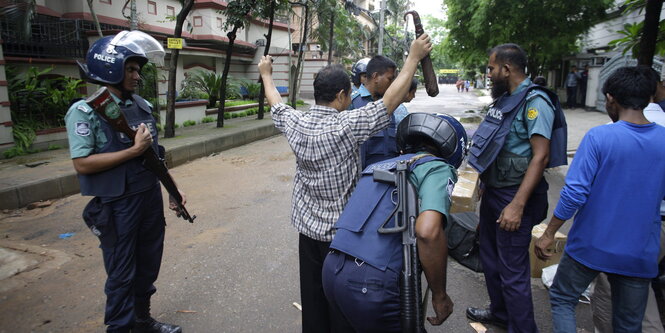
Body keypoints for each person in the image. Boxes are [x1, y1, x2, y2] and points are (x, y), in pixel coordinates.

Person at [257, 34, 432, 333]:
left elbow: (275, 101)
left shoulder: (295, 122)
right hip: (341, 240)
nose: (351, 99)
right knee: (341, 304)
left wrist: (266, 74)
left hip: (308, 235)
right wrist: (413, 58)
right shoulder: (346, 126)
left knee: (313, 302)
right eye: (349, 94)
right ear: (340, 96)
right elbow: (389, 102)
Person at [65, 31, 184, 333]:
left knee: (147, 264)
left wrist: (172, 190)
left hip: (148, 196)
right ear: (110, 68)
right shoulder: (85, 111)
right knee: (121, 273)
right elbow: (82, 163)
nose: (137, 76)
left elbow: (155, 156)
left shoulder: (141, 106)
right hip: (118, 204)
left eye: (138, 69)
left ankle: (142, 321)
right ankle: (119, 328)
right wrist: (133, 150)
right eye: (130, 69)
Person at [535, 66, 665, 333]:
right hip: (640, 252)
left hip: (591, 246)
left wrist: (549, 233)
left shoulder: (600, 137)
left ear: (610, 98)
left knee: (562, 299)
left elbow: (574, 193)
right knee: (629, 323)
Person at [322, 112, 467, 331]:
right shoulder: (437, 167)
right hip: (370, 284)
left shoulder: (377, 167)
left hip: (332, 272)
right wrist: (440, 295)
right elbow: (428, 232)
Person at [465, 43, 568, 333]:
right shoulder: (507, 99)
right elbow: (494, 146)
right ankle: (500, 313)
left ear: (506, 69)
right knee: (491, 258)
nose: (489, 73)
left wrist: (517, 205)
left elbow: (540, 156)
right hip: (495, 192)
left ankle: (523, 328)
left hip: (515, 196)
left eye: (491, 68)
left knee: (512, 270)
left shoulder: (535, 102)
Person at [589, 66, 665, 333]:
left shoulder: (608, 133)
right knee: (641, 293)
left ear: (612, 98)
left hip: (629, 226)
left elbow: (583, 190)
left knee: (615, 293)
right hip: (654, 226)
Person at [352, 55, 410, 169]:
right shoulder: (353, 103)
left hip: (390, 174)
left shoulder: (389, 104)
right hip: (365, 178)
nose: (392, 83)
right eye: (390, 78)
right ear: (376, 77)